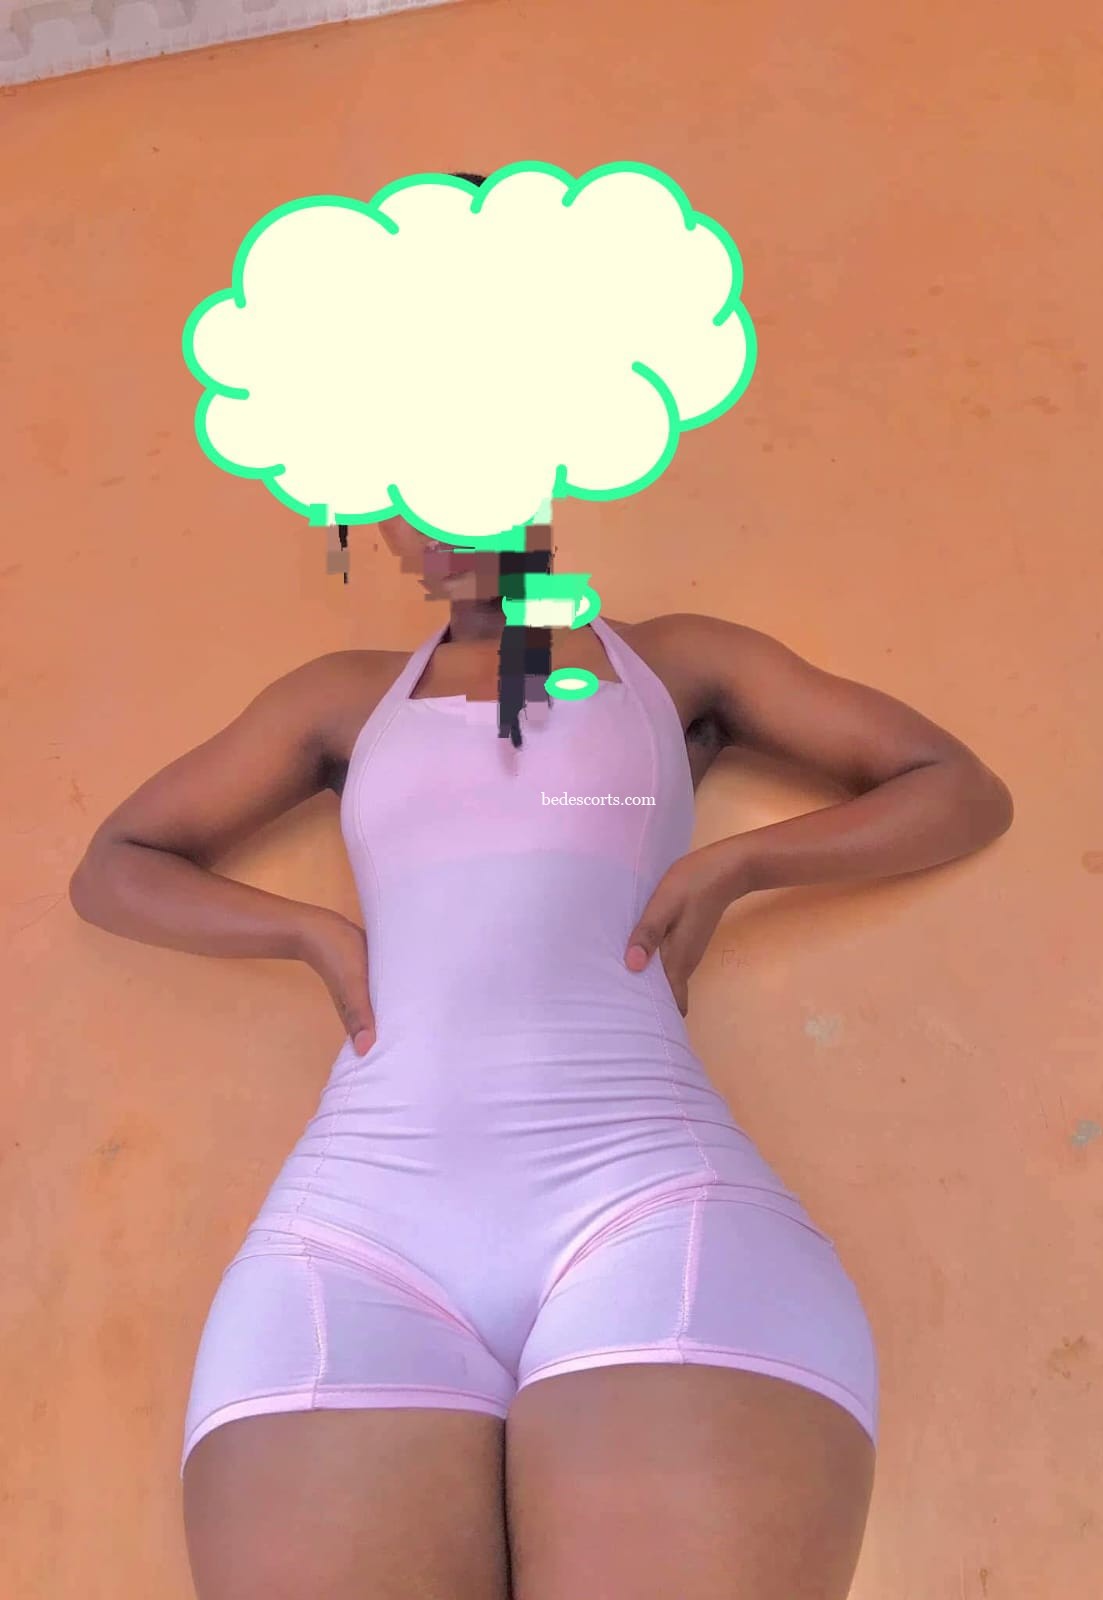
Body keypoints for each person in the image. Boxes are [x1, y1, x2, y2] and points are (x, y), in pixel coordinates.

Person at [71, 185, 1013, 1600]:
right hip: (353, 1231)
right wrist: (307, 932)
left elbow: (956, 786)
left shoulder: (678, 663)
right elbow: (115, 866)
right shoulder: (337, 701)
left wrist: (743, 862)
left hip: (652, 1209)